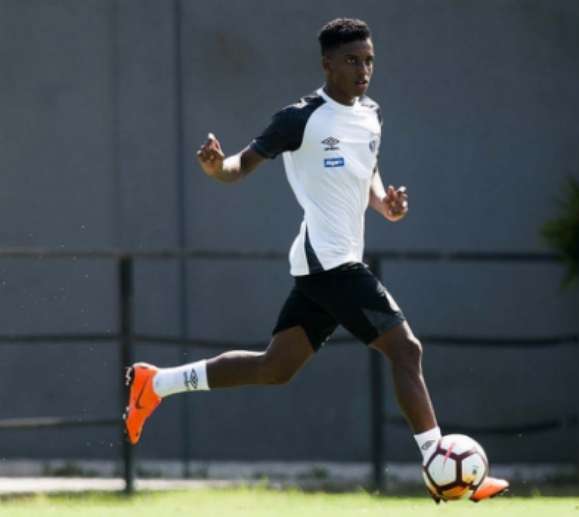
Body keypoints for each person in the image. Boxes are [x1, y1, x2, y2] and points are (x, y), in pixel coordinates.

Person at [123, 17, 508, 503]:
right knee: (406, 350)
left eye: (368, 60)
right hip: (330, 262)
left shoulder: (372, 114)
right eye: (351, 61)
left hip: (329, 265)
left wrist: (384, 203)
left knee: (274, 368)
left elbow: (366, 170)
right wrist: (214, 167)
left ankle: (155, 384)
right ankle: (440, 466)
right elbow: (238, 168)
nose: (363, 69)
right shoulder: (298, 118)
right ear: (326, 64)